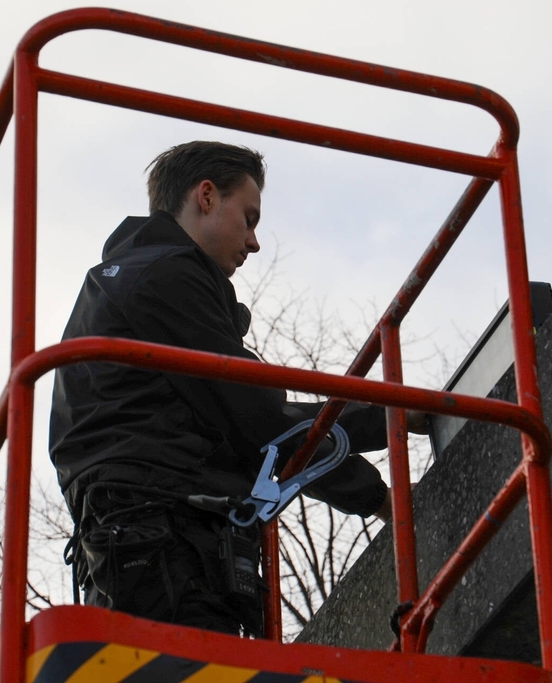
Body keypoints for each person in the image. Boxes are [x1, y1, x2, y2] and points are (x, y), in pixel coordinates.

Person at [49, 141, 413, 637]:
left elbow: (245, 411)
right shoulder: (166, 277)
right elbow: (259, 420)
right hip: (167, 544)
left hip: (134, 544)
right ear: (206, 197)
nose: (254, 242)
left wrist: (386, 419)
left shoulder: (131, 280)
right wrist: (382, 495)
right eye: (249, 217)